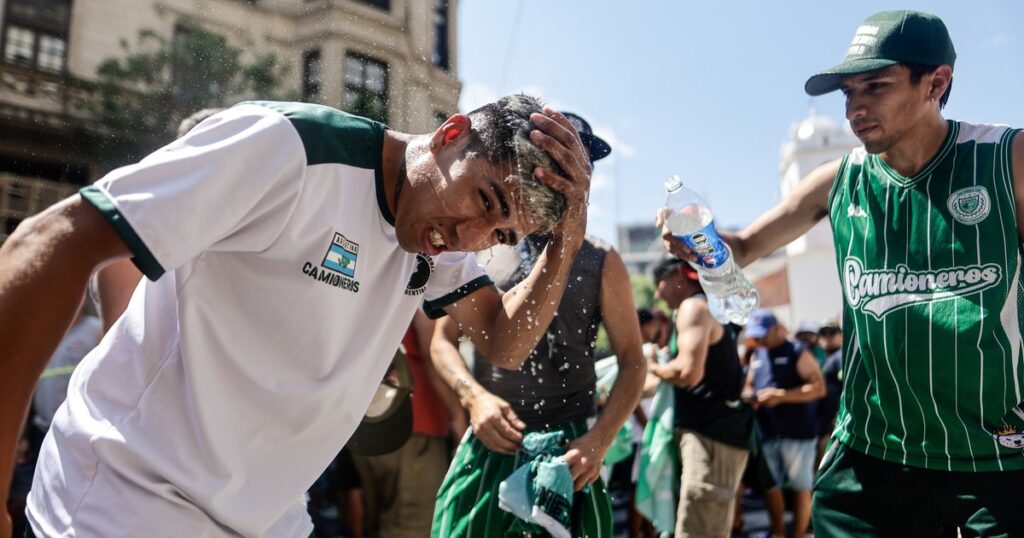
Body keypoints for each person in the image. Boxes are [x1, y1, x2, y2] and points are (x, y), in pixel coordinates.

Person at [0, 94, 593, 537]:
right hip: (126, 503)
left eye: (501, 234)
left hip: (271, 519)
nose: (469, 238)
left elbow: (505, 341)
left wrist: (568, 240)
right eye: (485, 200)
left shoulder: (440, 236)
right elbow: (47, 245)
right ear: (450, 134)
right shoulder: (288, 147)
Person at [661, 10, 1024, 534]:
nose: (855, 108)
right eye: (848, 93)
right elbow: (742, 247)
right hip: (873, 457)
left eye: (875, 86)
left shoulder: (1006, 161)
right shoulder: (838, 181)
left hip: (996, 455)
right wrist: (695, 236)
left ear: (936, 83)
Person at [429, 112, 646, 538]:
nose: (564, 178)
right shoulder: (487, 244)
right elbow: (442, 342)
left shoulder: (603, 261)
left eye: (578, 166)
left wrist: (599, 440)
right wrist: (474, 399)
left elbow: (634, 360)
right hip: (492, 444)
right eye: (555, 162)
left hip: (571, 454)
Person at [647, 258, 753, 538]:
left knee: (700, 531)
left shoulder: (693, 307)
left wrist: (654, 366)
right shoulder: (707, 306)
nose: (657, 294)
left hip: (710, 438)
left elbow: (687, 373)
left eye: (658, 283)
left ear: (677, 275)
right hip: (713, 435)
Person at [350, 311, 458, 538]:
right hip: (412, 423)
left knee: (380, 521)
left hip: (363, 421)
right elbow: (433, 348)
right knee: (413, 525)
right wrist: (458, 415)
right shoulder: (417, 287)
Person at [743, 310, 824, 538]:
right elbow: (749, 384)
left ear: (777, 329)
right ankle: (778, 533)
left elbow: (818, 388)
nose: (760, 339)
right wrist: (750, 396)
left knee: (801, 487)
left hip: (798, 433)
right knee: (771, 486)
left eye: (763, 334)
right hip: (768, 431)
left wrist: (781, 396)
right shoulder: (757, 353)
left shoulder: (798, 351)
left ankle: (798, 535)